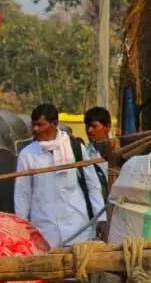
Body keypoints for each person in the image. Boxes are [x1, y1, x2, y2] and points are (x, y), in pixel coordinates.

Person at [14, 104, 105, 248]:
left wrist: (101, 218)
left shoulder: (75, 147)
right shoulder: (27, 154)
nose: (35, 129)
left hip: (78, 228)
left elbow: (93, 185)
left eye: (40, 125)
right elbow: (22, 194)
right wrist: (20, 228)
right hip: (44, 232)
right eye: (33, 125)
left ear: (54, 124)